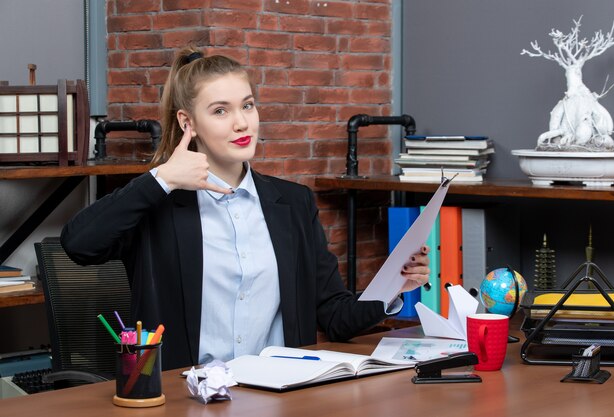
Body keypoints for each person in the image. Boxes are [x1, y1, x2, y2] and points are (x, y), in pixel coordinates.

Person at [61, 46, 430, 371]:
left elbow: (333, 314)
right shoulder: (160, 203)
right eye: (220, 111)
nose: (242, 123)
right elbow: (78, 243)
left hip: (281, 394)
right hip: (187, 398)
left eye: (247, 105)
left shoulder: (293, 203)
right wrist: (160, 179)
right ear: (188, 123)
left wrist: (395, 286)